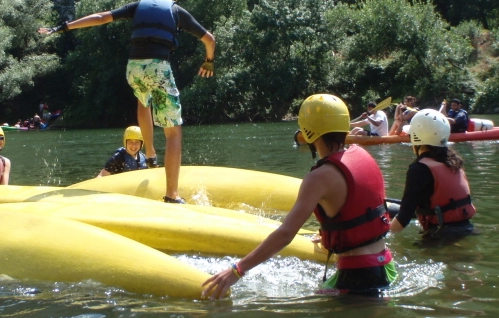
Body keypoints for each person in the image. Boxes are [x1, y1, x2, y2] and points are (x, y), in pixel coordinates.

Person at [39, 0, 215, 204]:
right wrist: (209, 61)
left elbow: (101, 17)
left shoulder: (138, 5)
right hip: (158, 67)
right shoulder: (176, 10)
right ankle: (172, 194)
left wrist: (63, 27)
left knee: (143, 100)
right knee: (173, 132)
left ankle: (150, 153)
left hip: (133, 68)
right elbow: (209, 40)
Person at [202, 94, 395, 298]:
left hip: (359, 275)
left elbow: (285, 234)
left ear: (307, 130)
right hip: (385, 264)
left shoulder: (319, 177)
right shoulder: (362, 155)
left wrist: (237, 270)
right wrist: (330, 234)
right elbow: (356, 207)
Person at [390, 108, 476, 240]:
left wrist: (381, 238)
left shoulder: (419, 169)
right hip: (468, 230)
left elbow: (403, 219)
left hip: (439, 238)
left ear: (415, 138)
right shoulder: (454, 162)